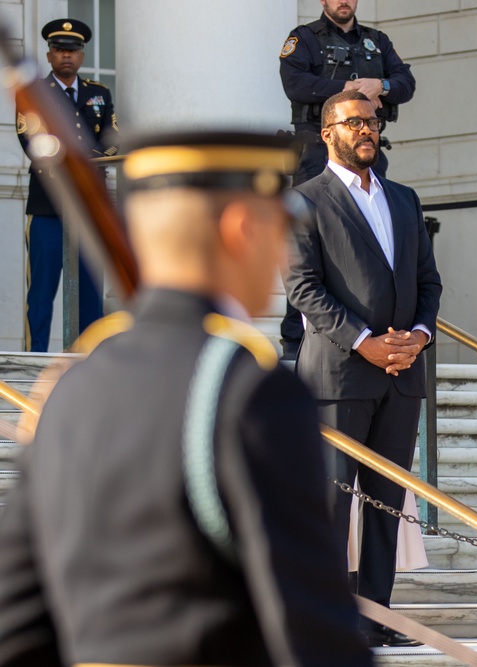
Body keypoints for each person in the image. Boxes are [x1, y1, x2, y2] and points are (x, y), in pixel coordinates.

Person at [0, 131, 372, 666]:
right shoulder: (252, 393)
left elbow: (18, 621)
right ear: (242, 229)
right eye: (280, 230)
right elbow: (313, 635)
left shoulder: (69, 388)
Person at [284, 90, 441, 648]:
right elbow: (304, 289)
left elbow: (429, 281)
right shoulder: (305, 200)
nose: (367, 130)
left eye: (371, 121)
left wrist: (418, 338)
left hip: (400, 377)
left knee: (386, 505)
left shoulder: (403, 197)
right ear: (328, 133)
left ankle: (378, 618)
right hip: (338, 378)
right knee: (331, 503)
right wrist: (365, 342)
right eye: (355, 122)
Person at [278, 0, 417, 359]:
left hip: (369, 157)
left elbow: (406, 83)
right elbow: (295, 83)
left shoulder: (377, 41)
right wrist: (350, 91)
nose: (344, 1)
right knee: (310, 251)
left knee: (372, 245)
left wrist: (381, 84)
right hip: (315, 154)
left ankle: (374, 330)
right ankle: (296, 341)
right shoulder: (305, 38)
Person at [16, 18, 119, 352]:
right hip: (49, 206)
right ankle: (35, 361)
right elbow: (31, 141)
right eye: (59, 49)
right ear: (49, 55)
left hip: (90, 207)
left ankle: (86, 362)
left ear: (82, 55)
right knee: (42, 292)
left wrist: (82, 157)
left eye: (72, 51)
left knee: (90, 291)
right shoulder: (33, 96)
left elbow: (112, 139)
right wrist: (78, 158)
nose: (66, 56)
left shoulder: (99, 94)